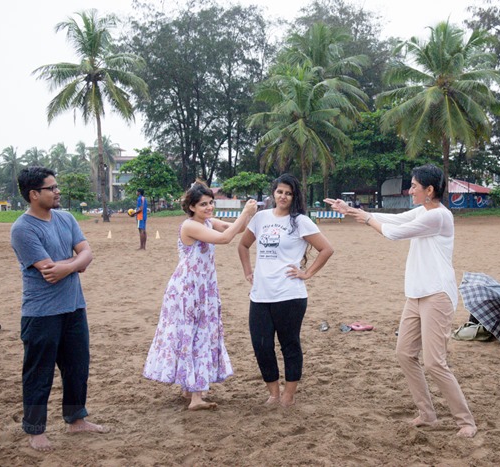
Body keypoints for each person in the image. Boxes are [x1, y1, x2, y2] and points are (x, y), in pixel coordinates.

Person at [325, 164, 477, 438]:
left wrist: (364, 217)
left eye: (415, 185)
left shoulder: (439, 217)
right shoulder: (424, 211)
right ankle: (427, 414)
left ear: (430, 190)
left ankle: (465, 421)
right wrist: (355, 212)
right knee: (404, 353)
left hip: (437, 295)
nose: (410, 189)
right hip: (416, 294)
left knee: (434, 363)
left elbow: (394, 233)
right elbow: (398, 219)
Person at [10, 166, 108, 451]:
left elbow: (87, 252)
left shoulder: (66, 218)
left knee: (78, 367)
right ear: (33, 194)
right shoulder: (23, 229)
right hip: (41, 313)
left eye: (56, 186)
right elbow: (48, 270)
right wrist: (77, 264)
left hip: (74, 307)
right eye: (51, 188)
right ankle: (35, 429)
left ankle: (76, 419)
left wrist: (72, 265)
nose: (57, 191)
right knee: (38, 372)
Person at [143, 181, 258, 410]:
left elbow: (233, 229)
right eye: (203, 204)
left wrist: (249, 214)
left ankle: (189, 389)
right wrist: (245, 212)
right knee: (194, 336)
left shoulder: (206, 222)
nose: (209, 207)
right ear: (192, 207)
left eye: (210, 203)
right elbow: (225, 239)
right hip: (188, 290)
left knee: (197, 335)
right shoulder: (190, 226)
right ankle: (196, 397)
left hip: (203, 288)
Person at [238, 174, 334, 408]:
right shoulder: (260, 218)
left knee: (289, 344)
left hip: (290, 295)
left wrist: (307, 273)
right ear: (274, 193)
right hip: (260, 294)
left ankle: (289, 394)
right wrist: (248, 271)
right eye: (280, 191)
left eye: (288, 193)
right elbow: (243, 245)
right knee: (261, 345)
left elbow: (326, 249)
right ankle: (273, 393)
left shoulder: (300, 221)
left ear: (294, 197)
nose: (283, 196)